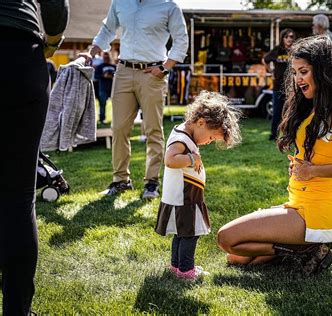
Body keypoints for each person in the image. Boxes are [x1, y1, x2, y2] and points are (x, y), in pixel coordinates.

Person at [217, 36, 332, 272]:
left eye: (304, 71)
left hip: (316, 213)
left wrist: (312, 171)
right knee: (235, 257)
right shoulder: (312, 105)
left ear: (322, 70)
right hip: (296, 203)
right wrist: (301, 167)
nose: (297, 78)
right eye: (294, 72)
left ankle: (309, 247)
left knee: (226, 238)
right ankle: (300, 250)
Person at [0, 1, 68, 314]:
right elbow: (55, 4)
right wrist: (52, 41)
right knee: (18, 195)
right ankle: (18, 310)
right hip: (19, 52)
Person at [82, 0, 189, 199]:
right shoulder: (120, 2)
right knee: (119, 128)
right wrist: (92, 51)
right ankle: (120, 180)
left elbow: (181, 39)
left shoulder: (169, 6)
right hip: (123, 71)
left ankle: (151, 183)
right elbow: (108, 29)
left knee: (153, 130)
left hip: (153, 73)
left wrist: (165, 68)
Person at [155, 91, 241, 280]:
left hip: (184, 196)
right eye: (211, 137)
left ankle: (177, 267)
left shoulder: (184, 133)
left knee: (181, 233)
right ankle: (186, 271)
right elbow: (170, 160)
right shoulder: (182, 139)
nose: (209, 142)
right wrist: (192, 157)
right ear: (200, 122)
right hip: (184, 197)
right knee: (190, 234)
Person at [262, 28, 295, 141]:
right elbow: (265, 60)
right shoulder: (277, 50)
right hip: (278, 86)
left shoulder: (296, 51)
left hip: (292, 87)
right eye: (287, 37)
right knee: (277, 112)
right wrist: (270, 72)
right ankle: (274, 135)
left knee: (291, 112)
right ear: (282, 38)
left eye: (291, 37)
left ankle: (290, 136)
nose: (289, 39)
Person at [95, 51, 116, 124]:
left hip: (113, 87)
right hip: (102, 87)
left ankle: (116, 120)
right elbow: (96, 76)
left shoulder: (114, 66)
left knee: (116, 104)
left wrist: (112, 76)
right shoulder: (100, 66)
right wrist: (103, 76)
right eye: (105, 56)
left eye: (107, 56)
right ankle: (102, 119)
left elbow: (117, 75)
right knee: (102, 104)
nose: (106, 58)